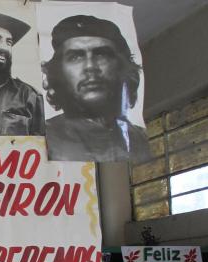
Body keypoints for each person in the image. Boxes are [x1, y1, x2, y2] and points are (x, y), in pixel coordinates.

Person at [41, 15, 151, 162]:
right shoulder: (41, 139)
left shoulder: (141, 140)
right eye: (75, 57)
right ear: (58, 73)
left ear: (122, 67)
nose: (90, 67)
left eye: (101, 54)